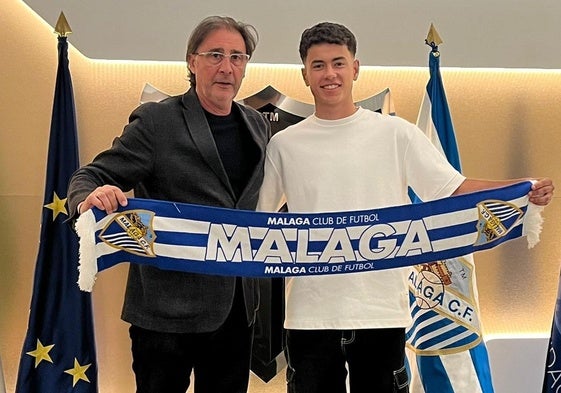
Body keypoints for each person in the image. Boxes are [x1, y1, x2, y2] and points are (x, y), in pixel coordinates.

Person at [256, 21, 554, 393]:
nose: (329, 74)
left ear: (356, 68)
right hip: (309, 316)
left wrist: (521, 189)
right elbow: (255, 223)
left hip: (382, 311)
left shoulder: (396, 134)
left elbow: (452, 189)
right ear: (304, 74)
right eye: (318, 65)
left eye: (338, 62)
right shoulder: (284, 145)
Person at [67, 16, 270, 393]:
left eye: (237, 57)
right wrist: (87, 198)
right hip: (164, 315)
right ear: (192, 62)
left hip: (235, 311)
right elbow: (89, 177)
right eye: (215, 55)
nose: (227, 67)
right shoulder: (157, 121)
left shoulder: (256, 124)